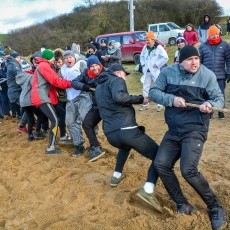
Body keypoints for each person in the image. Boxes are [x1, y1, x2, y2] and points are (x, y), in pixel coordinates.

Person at [149, 45, 227, 230]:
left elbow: (219, 99)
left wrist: (210, 103)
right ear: (180, 61)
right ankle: (181, 202)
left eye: (197, 59)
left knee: (188, 170)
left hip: (195, 128)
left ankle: (215, 207)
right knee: (161, 164)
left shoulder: (207, 75)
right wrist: (172, 99)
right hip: (174, 129)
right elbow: (153, 92)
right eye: (190, 60)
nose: (194, 63)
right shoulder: (168, 72)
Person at [95, 63, 163, 213]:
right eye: (124, 74)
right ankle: (148, 189)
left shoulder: (99, 87)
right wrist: (141, 99)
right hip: (126, 129)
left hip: (111, 133)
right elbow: (119, 97)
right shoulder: (116, 80)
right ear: (118, 73)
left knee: (125, 147)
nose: (125, 77)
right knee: (160, 156)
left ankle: (116, 175)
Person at [31, 49, 75, 154]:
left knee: (57, 117)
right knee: (55, 120)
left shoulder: (42, 65)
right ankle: (51, 147)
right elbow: (55, 81)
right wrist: (71, 83)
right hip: (41, 97)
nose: (54, 60)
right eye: (53, 58)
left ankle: (57, 141)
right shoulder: (44, 66)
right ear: (50, 58)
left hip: (42, 96)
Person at [72, 55, 105, 162]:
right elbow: (74, 82)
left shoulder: (106, 72)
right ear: (88, 67)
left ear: (100, 65)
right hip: (96, 106)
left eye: (96, 65)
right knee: (86, 123)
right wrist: (87, 87)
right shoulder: (86, 74)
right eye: (92, 66)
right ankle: (96, 147)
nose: (95, 68)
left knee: (111, 128)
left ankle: (125, 148)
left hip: (109, 106)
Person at [60, 50, 91, 157]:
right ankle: (79, 145)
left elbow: (89, 77)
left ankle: (94, 144)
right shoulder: (62, 69)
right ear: (63, 60)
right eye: (66, 58)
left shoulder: (81, 64)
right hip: (70, 98)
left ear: (74, 58)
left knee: (87, 120)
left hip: (83, 96)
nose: (69, 59)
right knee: (69, 122)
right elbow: (59, 81)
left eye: (70, 57)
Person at [199, 25, 230, 120]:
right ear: (209, 36)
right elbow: (199, 61)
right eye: (212, 35)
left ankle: (221, 111)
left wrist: (228, 72)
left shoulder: (225, 45)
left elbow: (229, 60)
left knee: (220, 94)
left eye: (216, 34)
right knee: (208, 93)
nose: (215, 36)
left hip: (220, 75)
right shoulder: (203, 46)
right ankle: (210, 111)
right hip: (207, 76)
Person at [139, 31, 168, 111]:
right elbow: (141, 56)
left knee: (158, 86)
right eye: (146, 40)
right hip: (146, 70)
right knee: (145, 87)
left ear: (153, 40)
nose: (147, 42)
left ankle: (160, 104)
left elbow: (165, 57)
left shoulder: (159, 47)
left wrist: (157, 64)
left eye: (148, 40)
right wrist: (143, 64)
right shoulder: (145, 47)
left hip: (155, 70)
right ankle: (145, 103)